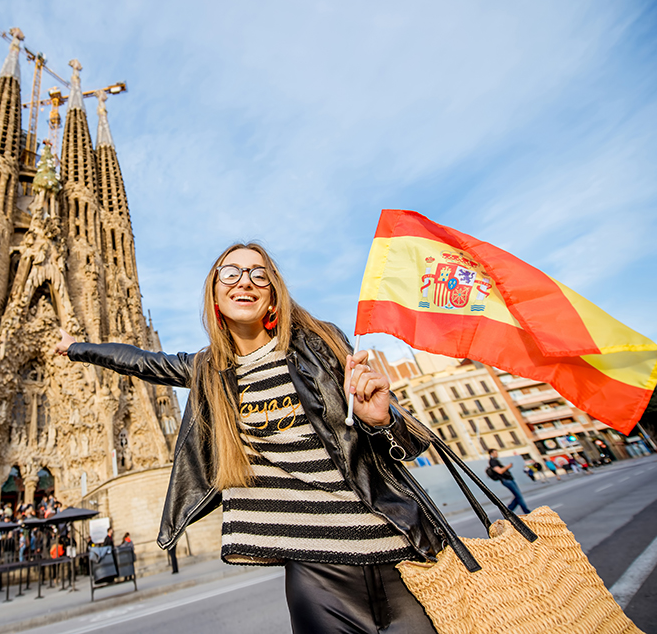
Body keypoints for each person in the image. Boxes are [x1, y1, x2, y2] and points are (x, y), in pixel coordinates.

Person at [56, 243, 446, 633]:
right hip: (317, 575)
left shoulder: (322, 344)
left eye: (259, 274)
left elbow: (404, 449)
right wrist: (74, 348)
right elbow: (138, 360)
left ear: (273, 294)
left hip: (400, 555)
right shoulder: (210, 371)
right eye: (231, 273)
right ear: (215, 293)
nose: (245, 281)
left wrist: (381, 421)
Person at [488, 449, 531, 514]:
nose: (497, 454)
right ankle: (526, 511)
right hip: (506, 480)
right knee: (518, 496)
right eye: (495, 453)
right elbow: (499, 471)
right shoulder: (492, 461)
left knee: (518, 496)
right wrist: (508, 467)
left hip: (509, 479)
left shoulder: (495, 461)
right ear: (491, 454)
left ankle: (508, 510)